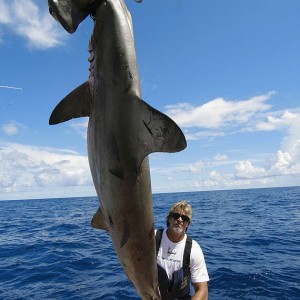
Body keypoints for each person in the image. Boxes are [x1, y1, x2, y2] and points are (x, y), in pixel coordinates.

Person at [156, 201, 209, 300]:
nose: (180, 220)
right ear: (169, 218)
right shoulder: (152, 238)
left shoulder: (194, 249)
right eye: (176, 216)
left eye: (184, 218)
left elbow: (202, 290)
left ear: (187, 224)